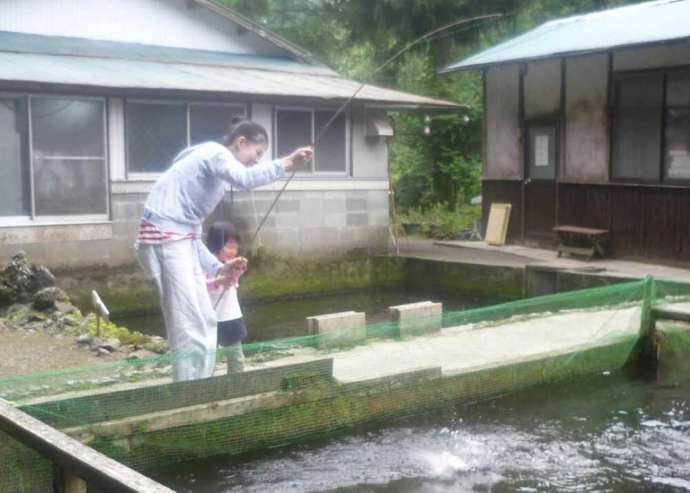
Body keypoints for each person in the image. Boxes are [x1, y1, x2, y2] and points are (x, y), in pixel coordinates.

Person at [136, 118, 312, 381]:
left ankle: (198, 386)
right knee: (189, 325)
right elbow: (245, 178)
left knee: (205, 322)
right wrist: (288, 162)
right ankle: (188, 393)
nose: (256, 160)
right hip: (163, 238)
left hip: (177, 239)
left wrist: (219, 268)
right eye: (257, 153)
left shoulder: (211, 170)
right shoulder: (214, 153)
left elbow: (191, 236)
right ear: (241, 142)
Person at [206, 222, 248, 374]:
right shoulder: (206, 263)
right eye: (229, 246)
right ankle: (207, 389)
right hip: (211, 319)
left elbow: (233, 285)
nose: (233, 251)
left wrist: (237, 272)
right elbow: (199, 286)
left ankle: (236, 388)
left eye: (235, 248)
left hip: (232, 316)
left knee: (237, 359)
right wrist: (217, 281)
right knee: (209, 360)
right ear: (216, 244)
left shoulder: (230, 264)